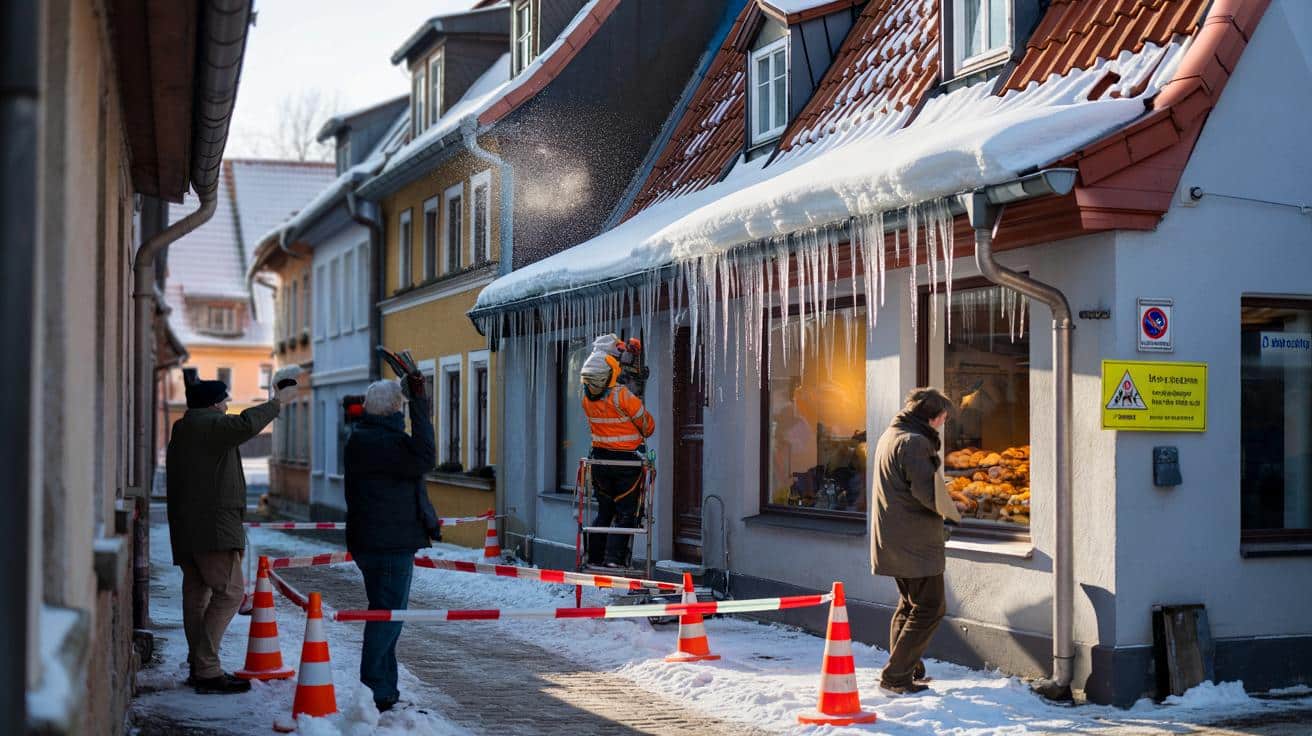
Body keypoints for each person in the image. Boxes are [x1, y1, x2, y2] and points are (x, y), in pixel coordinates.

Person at [166, 377, 286, 694]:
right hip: (213, 529)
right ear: (213, 403)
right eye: (223, 400)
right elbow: (246, 424)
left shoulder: (184, 427)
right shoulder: (211, 426)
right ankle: (206, 668)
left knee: (196, 597)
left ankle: (199, 664)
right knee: (231, 593)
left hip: (188, 528)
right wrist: (276, 403)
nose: (226, 405)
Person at [343, 377, 439, 712]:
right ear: (396, 409)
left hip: (378, 541)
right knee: (387, 618)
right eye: (401, 405)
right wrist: (421, 408)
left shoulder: (366, 438)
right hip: (388, 545)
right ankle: (376, 693)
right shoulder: (383, 442)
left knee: (386, 615)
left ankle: (384, 690)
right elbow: (426, 455)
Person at [871, 387, 955, 695]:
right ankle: (896, 676)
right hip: (914, 542)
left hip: (894, 539)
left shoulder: (891, 435)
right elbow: (927, 493)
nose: (943, 425)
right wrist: (955, 505)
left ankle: (908, 668)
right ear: (930, 416)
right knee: (931, 607)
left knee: (910, 605)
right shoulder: (914, 442)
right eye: (943, 418)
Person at [580, 334, 654, 568]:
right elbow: (648, 427)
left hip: (600, 462)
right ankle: (614, 559)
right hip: (626, 465)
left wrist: (626, 359)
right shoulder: (623, 396)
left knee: (604, 511)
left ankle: (595, 557)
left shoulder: (587, 399)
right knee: (626, 513)